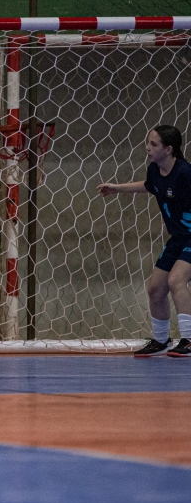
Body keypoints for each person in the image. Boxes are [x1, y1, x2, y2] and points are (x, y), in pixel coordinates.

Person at [98, 124, 191, 358]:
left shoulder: (185, 173)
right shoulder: (154, 170)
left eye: (153, 144)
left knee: (176, 280)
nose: (148, 148)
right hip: (178, 238)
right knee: (155, 289)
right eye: (148, 143)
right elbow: (150, 186)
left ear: (168, 149)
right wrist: (117, 188)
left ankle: (189, 340)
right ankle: (161, 341)